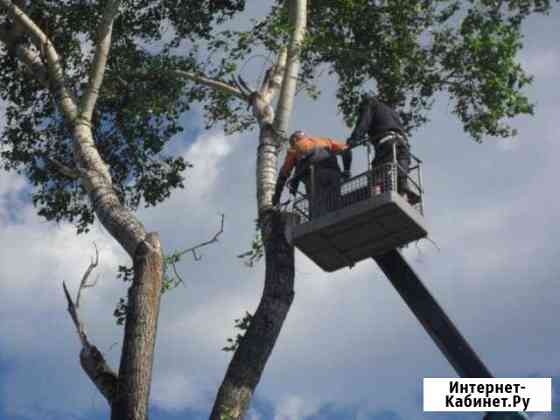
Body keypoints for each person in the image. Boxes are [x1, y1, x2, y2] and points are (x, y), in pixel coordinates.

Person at [344, 94, 411, 200]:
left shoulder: (371, 104)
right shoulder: (391, 111)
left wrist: (354, 139)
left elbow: (363, 123)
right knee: (400, 173)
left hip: (386, 143)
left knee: (377, 173)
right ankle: (404, 193)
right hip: (403, 145)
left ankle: (376, 196)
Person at [272, 130, 349, 218]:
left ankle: (320, 225)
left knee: (317, 209)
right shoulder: (324, 140)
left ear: (294, 140)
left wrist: (276, 198)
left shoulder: (294, 149)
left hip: (314, 177)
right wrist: (347, 170)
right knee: (335, 202)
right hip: (334, 173)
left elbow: (284, 174)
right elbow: (346, 150)